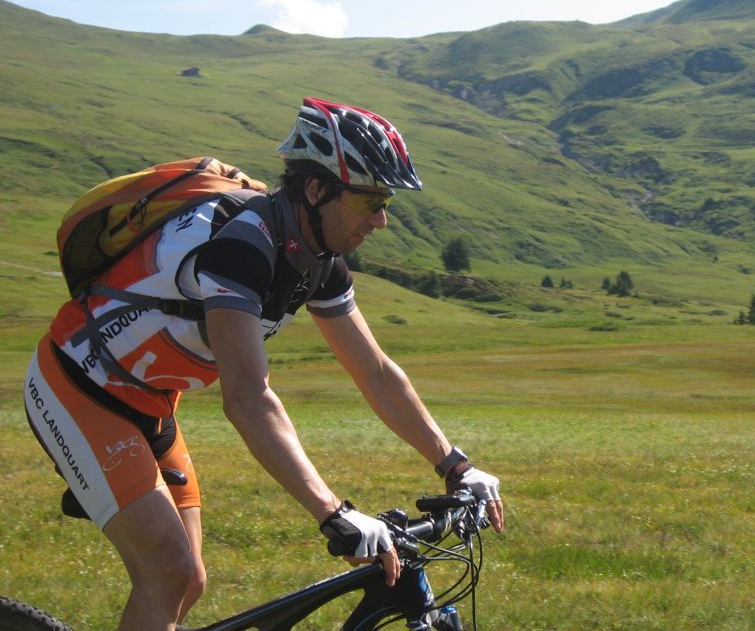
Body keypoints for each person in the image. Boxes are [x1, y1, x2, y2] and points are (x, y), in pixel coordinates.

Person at [23, 98, 503, 631]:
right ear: (315, 189)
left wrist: (454, 464)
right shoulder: (240, 246)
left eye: (385, 201)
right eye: (369, 201)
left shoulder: (317, 259)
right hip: (79, 387)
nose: (381, 220)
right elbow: (248, 397)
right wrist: (332, 512)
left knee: (189, 581)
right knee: (168, 572)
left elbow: (375, 372)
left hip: (153, 403)